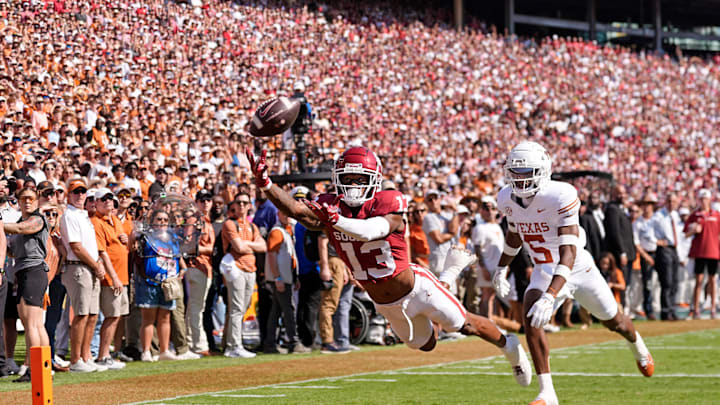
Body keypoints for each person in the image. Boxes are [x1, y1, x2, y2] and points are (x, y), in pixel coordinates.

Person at [247, 146, 531, 386]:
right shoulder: (331, 206)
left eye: (361, 179)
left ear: (374, 179)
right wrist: (266, 184)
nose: (355, 185)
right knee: (425, 344)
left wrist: (335, 221)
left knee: (462, 324)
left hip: (416, 287)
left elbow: (371, 231)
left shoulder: (388, 201)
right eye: (349, 178)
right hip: (385, 302)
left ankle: (511, 348)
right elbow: (298, 211)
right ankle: (447, 277)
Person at [494, 141, 654, 405]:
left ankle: (637, 346)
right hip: (545, 268)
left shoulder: (561, 194)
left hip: (578, 267)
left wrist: (551, 296)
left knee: (615, 322)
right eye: (516, 173)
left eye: (527, 173)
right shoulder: (505, 198)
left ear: (543, 171)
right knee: (531, 316)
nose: (520, 180)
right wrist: (502, 266)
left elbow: (568, 251)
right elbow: (514, 233)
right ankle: (548, 393)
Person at [59, 179, 107, 373]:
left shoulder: (84, 215)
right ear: (69, 195)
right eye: (75, 192)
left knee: (93, 314)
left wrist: (97, 264)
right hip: (78, 267)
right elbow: (76, 247)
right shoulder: (69, 215)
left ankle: (86, 357)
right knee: (81, 314)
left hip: (90, 267)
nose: (80, 195)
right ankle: (76, 359)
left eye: (82, 191)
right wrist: (96, 265)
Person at [3, 187, 50, 382]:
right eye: (23, 199)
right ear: (18, 201)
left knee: (33, 324)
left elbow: (21, 230)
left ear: (37, 201)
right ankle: (41, 369)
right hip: (23, 272)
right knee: (34, 324)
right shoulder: (20, 221)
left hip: (34, 271)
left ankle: (36, 370)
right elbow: (13, 250)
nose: (27, 202)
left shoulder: (37, 219)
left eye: (31, 198)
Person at [221, 195, 266, 358]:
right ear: (233, 205)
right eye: (238, 202)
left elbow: (264, 246)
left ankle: (230, 343)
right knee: (237, 308)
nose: (241, 205)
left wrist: (247, 245)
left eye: (245, 202)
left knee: (243, 307)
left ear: (249, 206)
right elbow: (238, 247)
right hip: (237, 268)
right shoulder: (229, 224)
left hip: (250, 269)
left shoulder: (252, 226)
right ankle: (234, 346)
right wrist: (251, 246)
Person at [135, 209, 183, 362]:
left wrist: (182, 270)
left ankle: (164, 350)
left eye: (164, 220)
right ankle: (147, 351)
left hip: (168, 283)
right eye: (159, 219)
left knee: (165, 317)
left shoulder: (172, 239)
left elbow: (177, 258)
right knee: (148, 318)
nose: (162, 222)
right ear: (152, 221)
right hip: (150, 282)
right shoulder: (146, 238)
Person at [90, 188, 129, 370]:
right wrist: (113, 277)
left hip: (122, 275)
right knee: (110, 316)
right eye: (103, 199)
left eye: (110, 199)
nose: (108, 201)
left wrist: (126, 239)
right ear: (96, 203)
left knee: (117, 316)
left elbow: (120, 246)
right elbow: (102, 252)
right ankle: (102, 355)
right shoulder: (96, 222)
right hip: (111, 277)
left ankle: (106, 354)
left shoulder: (115, 221)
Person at [264, 209, 305, 354]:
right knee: (288, 310)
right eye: (284, 213)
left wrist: (295, 277)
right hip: (281, 278)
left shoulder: (285, 231)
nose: (287, 216)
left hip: (286, 277)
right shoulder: (277, 232)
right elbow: (272, 255)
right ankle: (294, 341)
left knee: (276, 311)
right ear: (278, 214)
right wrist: (277, 278)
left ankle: (270, 344)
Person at [186, 190, 215, 355]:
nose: (205, 203)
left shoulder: (207, 221)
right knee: (196, 308)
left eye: (208, 200)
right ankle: (198, 345)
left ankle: (192, 343)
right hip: (196, 266)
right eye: (202, 200)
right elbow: (188, 246)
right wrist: (211, 250)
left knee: (196, 307)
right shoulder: (194, 219)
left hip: (205, 267)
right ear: (196, 202)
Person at [684, 189, 720, 320]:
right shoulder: (695, 215)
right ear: (699, 200)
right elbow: (686, 233)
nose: (704, 201)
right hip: (699, 252)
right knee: (698, 281)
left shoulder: (716, 215)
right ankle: (696, 308)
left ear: (710, 200)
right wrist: (693, 230)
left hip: (714, 252)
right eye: (702, 199)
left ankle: (713, 308)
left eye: (706, 198)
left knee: (712, 281)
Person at [603, 184, 636, 310]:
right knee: (621, 283)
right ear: (614, 195)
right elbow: (614, 232)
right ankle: (619, 309)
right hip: (620, 254)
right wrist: (622, 252)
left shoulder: (621, 209)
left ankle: (623, 308)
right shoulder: (612, 209)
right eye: (619, 193)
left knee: (626, 283)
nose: (622, 196)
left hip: (628, 253)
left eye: (624, 193)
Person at [651, 193, 682, 321]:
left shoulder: (675, 215)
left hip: (674, 249)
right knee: (667, 282)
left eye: (674, 201)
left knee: (674, 281)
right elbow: (646, 229)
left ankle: (671, 309)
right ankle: (665, 311)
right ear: (665, 202)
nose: (671, 203)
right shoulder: (658, 215)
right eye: (669, 201)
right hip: (664, 250)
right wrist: (656, 241)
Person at [633, 194, 659, 320]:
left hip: (658, 252)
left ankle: (663, 307)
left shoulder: (657, 219)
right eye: (645, 204)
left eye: (649, 204)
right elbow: (636, 242)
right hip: (646, 254)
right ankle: (648, 309)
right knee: (647, 283)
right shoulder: (638, 223)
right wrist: (645, 256)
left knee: (663, 282)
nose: (647, 207)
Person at [423, 189, 459, 275]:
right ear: (426, 203)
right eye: (430, 200)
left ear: (440, 199)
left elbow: (453, 229)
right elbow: (438, 239)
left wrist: (455, 212)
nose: (433, 201)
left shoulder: (448, 214)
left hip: (451, 257)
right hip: (439, 259)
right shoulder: (428, 217)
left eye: (435, 198)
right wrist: (452, 234)